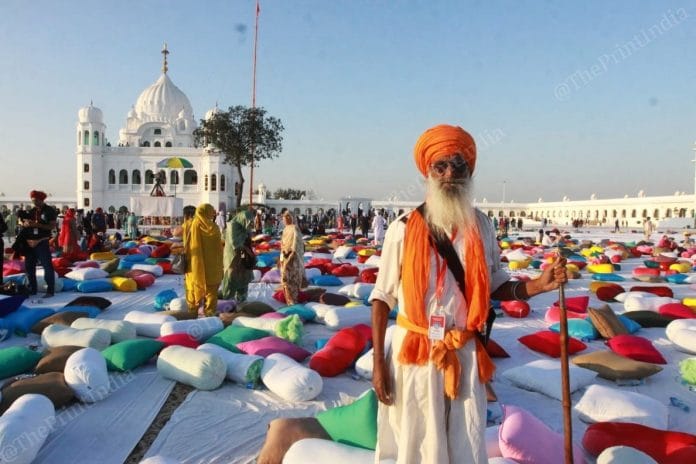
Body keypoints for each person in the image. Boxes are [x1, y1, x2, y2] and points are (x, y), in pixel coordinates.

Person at [369, 124, 567, 463]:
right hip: (414, 353)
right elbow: (381, 297)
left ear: (469, 171)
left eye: (458, 166)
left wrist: (537, 285)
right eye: (440, 166)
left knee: (464, 440)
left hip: (463, 350)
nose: (450, 174)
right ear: (427, 172)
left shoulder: (482, 226)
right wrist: (377, 364)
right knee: (417, 441)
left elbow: (496, 283)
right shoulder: (402, 229)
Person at [185, 204, 223, 317]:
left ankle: (192, 312)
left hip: (194, 264)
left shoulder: (190, 224)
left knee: (193, 287)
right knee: (211, 291)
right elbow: (219, 248)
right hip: (212, 265)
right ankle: (210, 314)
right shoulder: (214, 228)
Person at [21, 190, 58, 298]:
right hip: (30, 242)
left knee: (47, 266)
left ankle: (50, 290)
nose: (34, 203)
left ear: (41, 200)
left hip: (42, 241)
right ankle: (32, 289)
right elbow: (26, 222)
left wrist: (36, 224)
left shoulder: (49, 211)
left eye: (36, 200)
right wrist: (25, 223)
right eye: (32, 200)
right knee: (29, 267)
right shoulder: (32, 211)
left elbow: (51, 226)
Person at [220, 209, 255, 302]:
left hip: (243, 257)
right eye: (247, 221)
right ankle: (228, 299)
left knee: (244, 276)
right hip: (233, 256)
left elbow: (248, 239)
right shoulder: (233, 225)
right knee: (231, 277)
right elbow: (235, 243)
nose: (248, 224)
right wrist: (247, 250)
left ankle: (241, 297)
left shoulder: (244, 227)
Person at [279, 212, 307, 305]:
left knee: (292, 281)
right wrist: (281, 258)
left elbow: (296, 245)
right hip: (284, 257)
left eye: (288, 217)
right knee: (285, 281)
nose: (285, 219)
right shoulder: (285, 229)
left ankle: (293, 302)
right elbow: (282, 244)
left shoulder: (295, 228)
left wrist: (290, 258)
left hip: (293, 259)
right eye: (284, 217)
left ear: (292, 218)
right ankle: (289, 301)